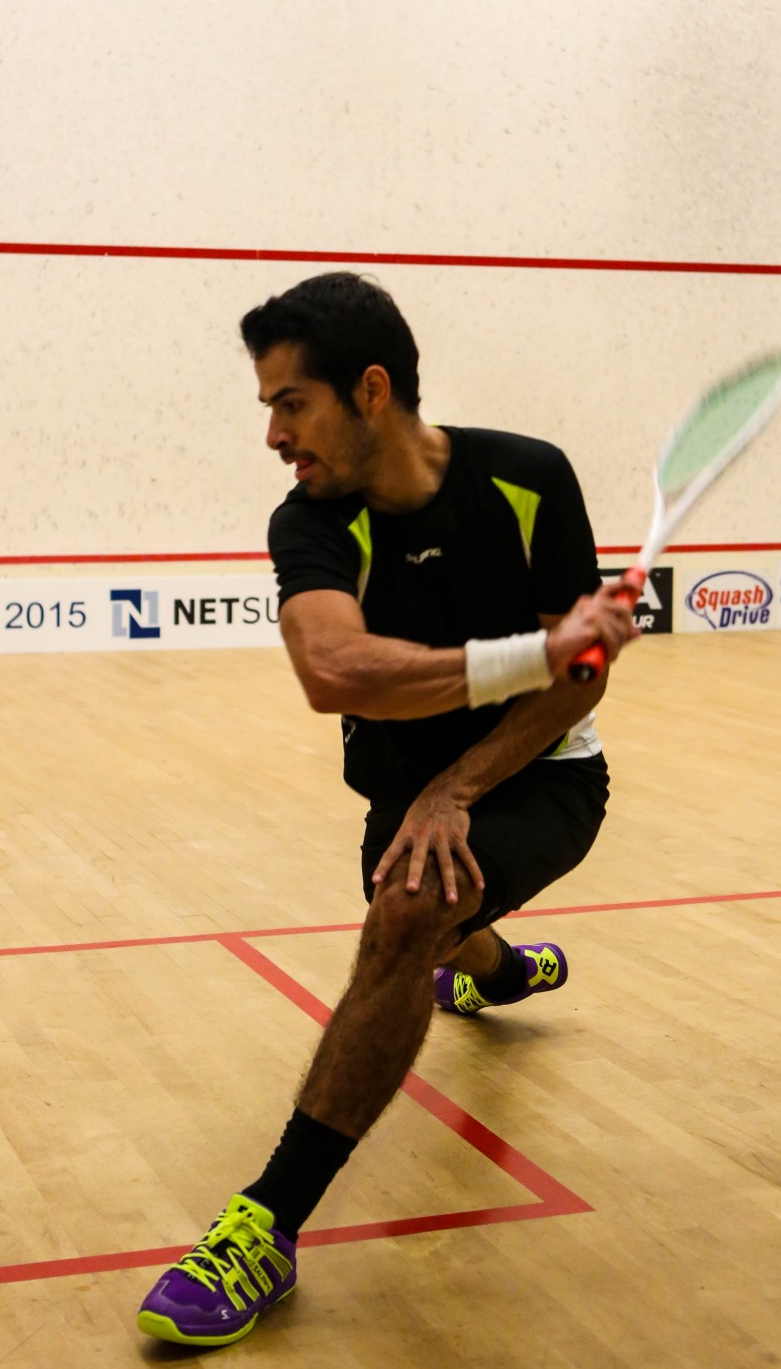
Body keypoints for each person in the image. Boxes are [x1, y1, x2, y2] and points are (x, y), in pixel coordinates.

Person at [137, 272, 638, 1347]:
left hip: (541, 773)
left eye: (291, 403)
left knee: (410, 911)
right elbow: (335, 670)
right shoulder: (312, 521)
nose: (274, 436)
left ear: (371, 390)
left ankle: (265, 1226)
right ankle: (505, 971)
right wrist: (533, 654)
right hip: (402, 791)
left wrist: (459, 785)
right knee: (434, 919)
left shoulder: (530, 478)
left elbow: (580, 679)